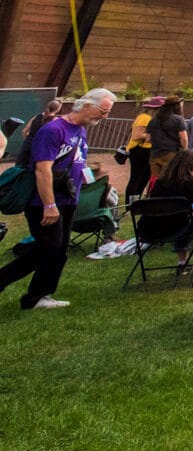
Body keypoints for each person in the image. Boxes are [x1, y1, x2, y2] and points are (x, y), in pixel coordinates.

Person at [0, 89, 115, 309]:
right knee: (49, 248)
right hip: (46, 201)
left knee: (57, 251)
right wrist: (49, 205)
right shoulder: (53, 130)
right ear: (88, 104)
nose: (105, 116)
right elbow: (42, 170)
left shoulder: (80, 130)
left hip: (67, 200)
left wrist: (90, 175)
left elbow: (75, 161)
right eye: (103, 111)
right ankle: (21, 289)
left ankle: (39, 296)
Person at [125, 96, 161, 200]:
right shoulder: (144, 118)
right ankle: (131, 203)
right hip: (139, 150)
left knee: (143, 179)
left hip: (146, 150)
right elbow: (136, 135)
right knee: (137, 178)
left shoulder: (150, 119)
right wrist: (154, 134)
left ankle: (136, 201)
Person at [147, 95, 189, 178]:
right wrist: (185, 150)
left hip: (154, 154)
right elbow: (184, 138)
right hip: (171, 153)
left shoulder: (153, 120)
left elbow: (148, 139)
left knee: (155, 179)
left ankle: (153, 191)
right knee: (169, 178)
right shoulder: (178, 119)